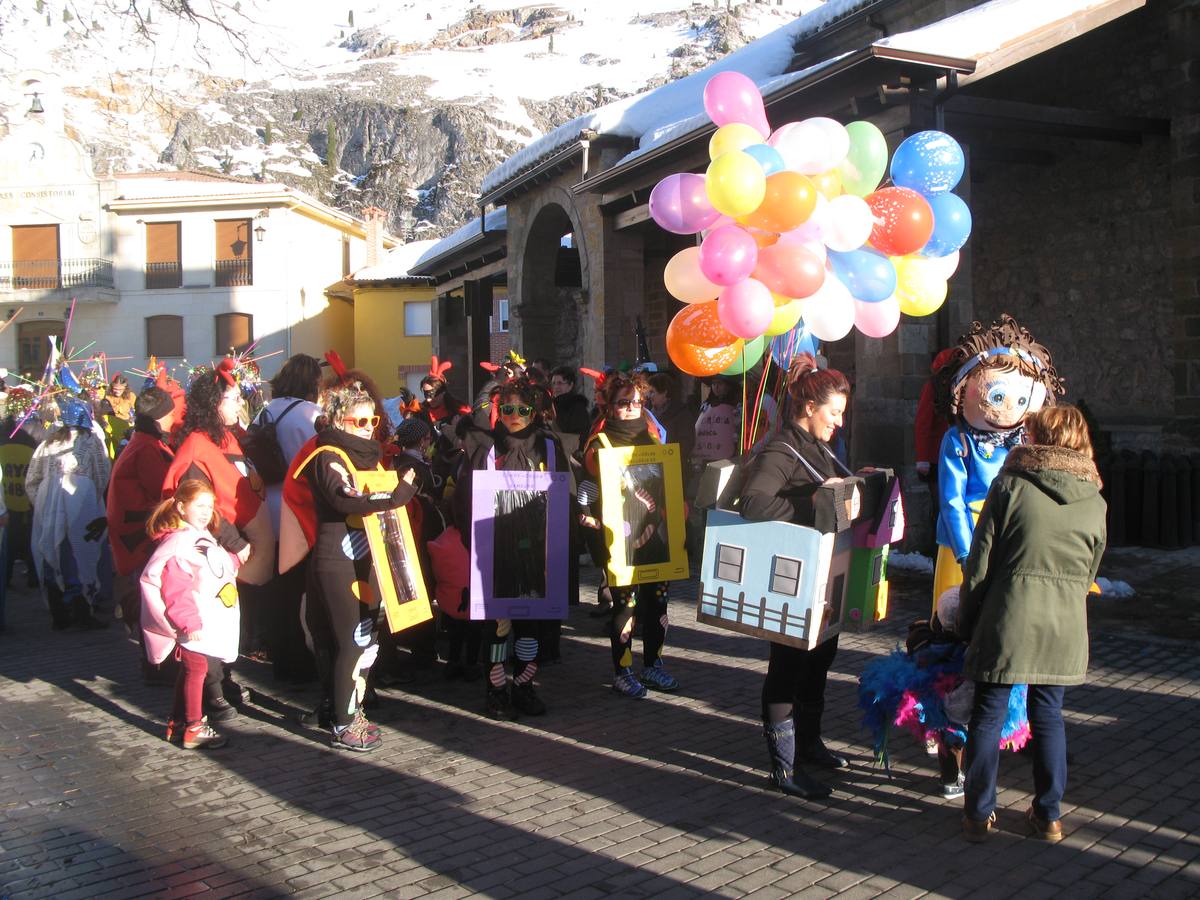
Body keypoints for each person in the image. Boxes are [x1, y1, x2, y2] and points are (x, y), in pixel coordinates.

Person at [958, 405, 1106, 843]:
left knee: (988, 713)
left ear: (1040, 438)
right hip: (1063, 622)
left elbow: (979, 565)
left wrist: (967, 621)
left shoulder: (1010, 486)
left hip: (1009, 615)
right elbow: (1090, 572)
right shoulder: (1094, 499)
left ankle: (978, 813)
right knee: (1049, 715)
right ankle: (1049, 815)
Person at [738, 354, 855, 799]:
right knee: (787, 668)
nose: (839, 422)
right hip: (788, 579)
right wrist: (814, 506)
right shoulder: (779, 450)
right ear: (809, 408)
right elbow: (753, 504)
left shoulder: (817, 447)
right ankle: (783, 768)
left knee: (818, 660)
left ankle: (809, 744)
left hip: (820, 575)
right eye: (835, 412)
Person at [298, 383, 417, 751]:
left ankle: (348, 710)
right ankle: (345, 724)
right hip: (338, 562)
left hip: (365, 561)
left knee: (364, 641)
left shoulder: (366, 456)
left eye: (373, 419)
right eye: (360, 420)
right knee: (351, 642)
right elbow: (345, 498)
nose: (368, 427)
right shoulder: (329, 455)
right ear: (339, 420)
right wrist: (398, 494)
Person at [454, 377, 570, 719]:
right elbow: (465, 498)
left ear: (534, 411)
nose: (514, 415)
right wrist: (471, 540)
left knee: (530, 625)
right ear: (498, 410)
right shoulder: (485, 448)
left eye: (522, 409)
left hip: (535, 550)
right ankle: (496, 690)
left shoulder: (548, 446)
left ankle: (524, 686)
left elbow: (564, 495)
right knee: (498, 626)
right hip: (496, 551)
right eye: (507, 408)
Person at [582, 371, 679, 699]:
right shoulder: (600, 443)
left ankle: (653, 664)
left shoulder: (652, 439)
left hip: (655, 536)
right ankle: (622, 670)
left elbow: (665, 482)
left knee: (658, 603)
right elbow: (587, 489)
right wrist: (588, 515)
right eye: (624, 403)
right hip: (620, 540)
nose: (632, 408)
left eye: (638, 402)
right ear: (609, 406)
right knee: (626, 604)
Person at [140, 480, 241, 750]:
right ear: (181, 506)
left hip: (201, 617)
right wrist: (188, 621)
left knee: (189, 671)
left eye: (209, 506)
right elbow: (176, 587)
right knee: (196, 669)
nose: (206, 511)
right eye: (200, 505)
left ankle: (179, 723)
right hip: (193, 621)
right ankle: (194, 726)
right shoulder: (179, 542)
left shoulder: (198, 535)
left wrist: (234, 560)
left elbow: (213, 561)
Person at [252, 353, 323, 683]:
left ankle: (282, 656)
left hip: (267, 508)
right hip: (300, 512)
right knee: (305, 591)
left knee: (279, 592)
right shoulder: (312, 416)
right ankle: (302, 660)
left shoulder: (265, 411)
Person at [107, 386, 178, 679]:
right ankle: (157, 665)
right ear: (161, 417)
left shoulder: (141, 442)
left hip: (135, 535)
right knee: (151, 603)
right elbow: (162, 490)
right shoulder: (148, 449)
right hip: (141, 538)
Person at [26, 396, 112, 630]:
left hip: (49, 500)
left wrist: (42, 506)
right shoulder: (92, 441)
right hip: (80, 499)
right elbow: (102, 473)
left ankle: (60, 613)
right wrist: (94, 503)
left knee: (52, 549)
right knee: (80, 553)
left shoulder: (47, 442)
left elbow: (32, 479)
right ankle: (82, 610)